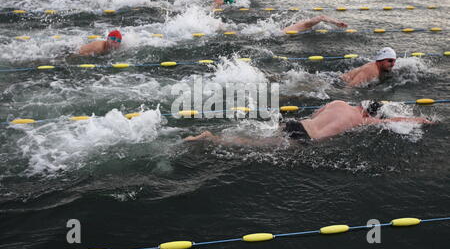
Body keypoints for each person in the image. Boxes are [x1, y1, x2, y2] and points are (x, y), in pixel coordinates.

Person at [184, 100, 433, 145]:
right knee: (254, 145)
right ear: (370, 114)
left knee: (264, 135)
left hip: (295, 122)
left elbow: (316, 113)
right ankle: (212, 138)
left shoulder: (338, 102)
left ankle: (214, 135)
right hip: (303, 138)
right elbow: (394, 121)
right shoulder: (362, 121)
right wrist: (420, 119)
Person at [282, 15, 348, 33]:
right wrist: (337, 23)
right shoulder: (304, 25)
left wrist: (337, 23)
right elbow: (321, 17)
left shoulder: (304, 25)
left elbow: (321, 17)